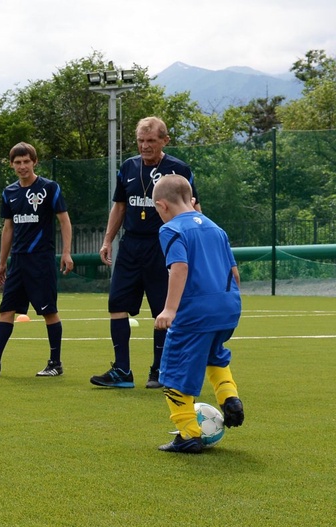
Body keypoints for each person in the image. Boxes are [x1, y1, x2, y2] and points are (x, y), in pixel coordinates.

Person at [90, 116, 199, 389]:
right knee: (116, 305)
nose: (145, 146)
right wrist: (107, 241)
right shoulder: (128, 167)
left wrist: (198, 242)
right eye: (141, 140)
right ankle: (122, 371)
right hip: (130, 246)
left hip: (163, 245)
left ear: (165, 140)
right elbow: (120, 206)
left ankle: (160, 370)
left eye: (151, 140)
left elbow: (193, 207)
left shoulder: (178, 170)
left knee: (162, 310)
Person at [0, 142, 74, 377]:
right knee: (7, 310)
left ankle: (55, 363)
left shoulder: (50, 188)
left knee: (48, 311)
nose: (22, 166)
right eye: (17, 162)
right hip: (18, 262)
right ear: (11, 165)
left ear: (34, 162)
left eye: (26, 161)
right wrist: (2, 263)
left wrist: (66, 252)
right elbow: (8, 228)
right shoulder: (9, 192)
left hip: (41, 260)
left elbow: (64, 220)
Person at [152, 174, 244, 453]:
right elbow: (234, 272)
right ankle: (229, 397)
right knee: (214, 354)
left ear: (162, 206)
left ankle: (189, 434)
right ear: (191, 200)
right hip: (228, 307)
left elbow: (179, 267)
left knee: (172, 375)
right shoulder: (216, 228)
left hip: (195, 312)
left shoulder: (171, 230)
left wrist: (169, 309)